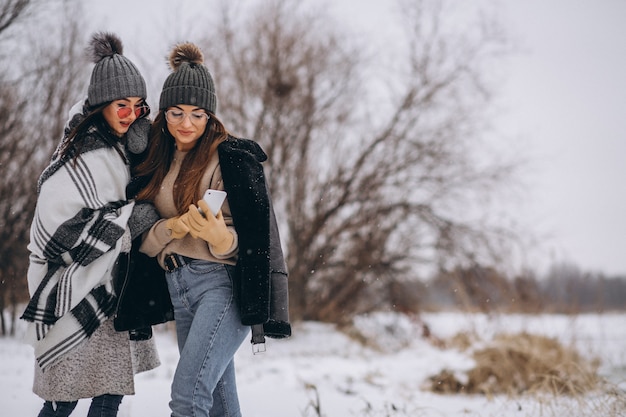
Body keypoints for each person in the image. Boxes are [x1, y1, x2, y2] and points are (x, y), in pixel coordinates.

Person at [133, 42, 291, 416]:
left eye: (198, 114)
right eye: (176, 112)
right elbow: (145, 241)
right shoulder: (157, 158)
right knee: (218, 402)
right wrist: (172, 227)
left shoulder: (229, 159)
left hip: (221, 288)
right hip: (178, 289)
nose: (186, 124)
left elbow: (253, 243)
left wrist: (220, 238)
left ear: (210, 116)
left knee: (188, 398)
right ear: (164, 112)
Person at [20, 32, 163, 417]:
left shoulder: (119, 147)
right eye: (121, 104)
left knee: (109, 395)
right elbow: (57, 232)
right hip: (75, 290)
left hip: (112, 291)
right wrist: (130, 219)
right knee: (63, 400)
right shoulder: (80, 155)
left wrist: (140, 147)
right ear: (100, 104)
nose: (130, 113)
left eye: (137, 105)